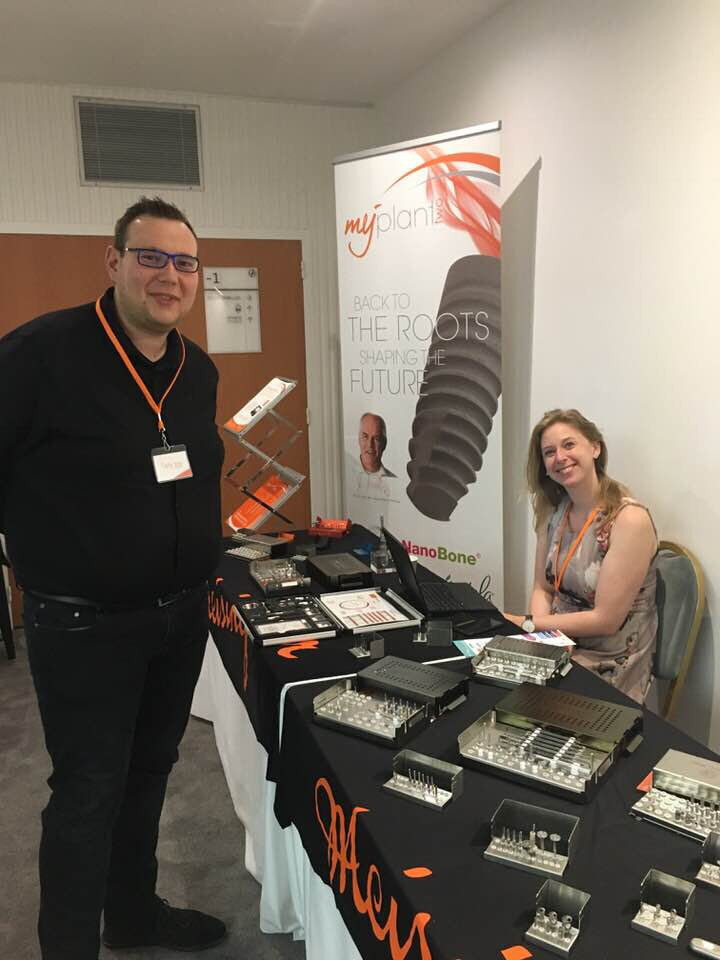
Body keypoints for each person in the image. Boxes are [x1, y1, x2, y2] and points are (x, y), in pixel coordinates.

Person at [0, 197, 227, 960]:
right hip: (82, 625)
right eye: (152, 257)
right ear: (115, 261)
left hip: (177, 615)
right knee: (88, 794)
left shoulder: (199, 372)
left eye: (185, 262)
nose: (170, 276)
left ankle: (131, 917)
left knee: (151, 775)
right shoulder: (40, 354)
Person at [505, 408, 657, 703]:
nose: (560, 457)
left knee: (524, 702)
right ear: (545, 466)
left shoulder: (629, 520)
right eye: (549, 452)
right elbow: (543, 587)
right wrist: (545, 640)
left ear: (595, 448)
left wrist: (528, 624)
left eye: (569, 444)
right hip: (560, 642)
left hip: (610, 658)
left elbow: (606, 620)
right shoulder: (552, 510)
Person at [358, 412, 396, 477]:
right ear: (359, 439)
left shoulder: (393, 481)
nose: (370, 445)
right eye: (365, 437)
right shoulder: (347, 472)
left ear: (384, 444)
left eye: (376, 438)